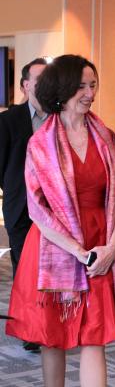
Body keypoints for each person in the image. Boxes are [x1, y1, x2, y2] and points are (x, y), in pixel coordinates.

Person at [5, 54, 115, 387]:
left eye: (93, 85)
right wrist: (77, 251)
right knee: (54, 335)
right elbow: (37, 209)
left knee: (95, 334)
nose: (90, 93)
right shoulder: (40, 144)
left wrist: (110, 245)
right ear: (61, 89)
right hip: (54, 245)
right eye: (81, 86)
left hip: (100, 240)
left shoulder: (106, 136)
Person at [0, 57, 47, 353]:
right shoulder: (8, 120)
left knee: (49, 269)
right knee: (25, 270)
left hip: (55, 211)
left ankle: (48, 322)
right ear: (25, 85)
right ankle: (31, 327)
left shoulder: (59, 117)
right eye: (39, 79)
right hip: (20, 208)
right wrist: (16, 191)